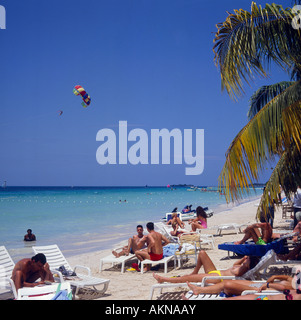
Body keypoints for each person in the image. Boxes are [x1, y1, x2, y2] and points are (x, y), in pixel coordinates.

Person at [153, 250, 259, 284]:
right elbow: (235, 265)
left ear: (249, 264)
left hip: (216, 278)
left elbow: (236, 272)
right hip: (216, 273)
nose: (246, 258)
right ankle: (195, 272)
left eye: (248, 259)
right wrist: (243, 259)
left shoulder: (243, 270)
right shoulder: (243, 267)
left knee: (186, 278)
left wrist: (245, 264)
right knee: (202, 253)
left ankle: (163, 279)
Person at [183, 273, 296, 298]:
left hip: (266, 290)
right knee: (227, 282)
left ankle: (199, 290)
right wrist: (275, 276)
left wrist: (268, 284)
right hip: (265, 285)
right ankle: (199, 289)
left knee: (227, 284)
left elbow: (283, 288)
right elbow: (287, 278)